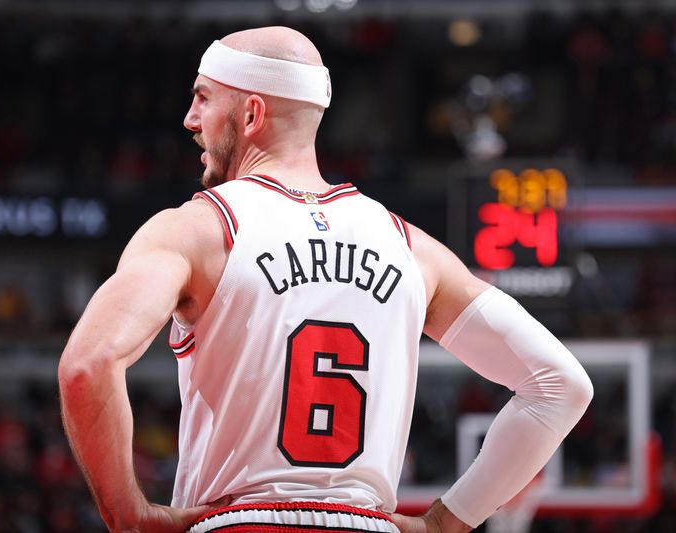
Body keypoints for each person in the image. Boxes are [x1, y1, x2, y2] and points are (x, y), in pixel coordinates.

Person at [58, 26, 594, 533]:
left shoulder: (197, 230)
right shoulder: (412, 247)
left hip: (240, 520)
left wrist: (126, 513)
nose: (189, 118)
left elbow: (89, 363)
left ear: (250, 113)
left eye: (202, 97)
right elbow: (560, 385)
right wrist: (447, 521)